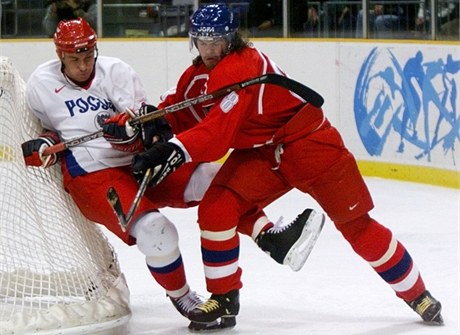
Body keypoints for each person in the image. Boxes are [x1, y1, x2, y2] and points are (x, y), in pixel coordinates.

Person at [131, 3, 444, 330]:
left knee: (356, 226)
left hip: (311, 144)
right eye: (202, 42)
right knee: (217, 207)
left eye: (216, 42)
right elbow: (182, 110)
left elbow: (216, 137)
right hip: (263, 154)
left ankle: (417, 294)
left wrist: (172, 149)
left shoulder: (241, 66)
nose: (209, 51)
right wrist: (154, 122)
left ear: (231, 39)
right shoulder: (197, 75)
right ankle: (223, 301)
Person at [21, 17, 323, 329]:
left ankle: (269, 237)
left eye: (88, 57)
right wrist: (43, 145)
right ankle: (183, 297)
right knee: (157, 232)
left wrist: (131, 136)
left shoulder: (117, 71)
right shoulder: (41, 85)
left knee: (211, 178)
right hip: (94, 175)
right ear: (60, 56)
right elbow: (50, 134)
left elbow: (147, 130)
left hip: (138, 164)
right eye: (75, 60)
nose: (83, 66)